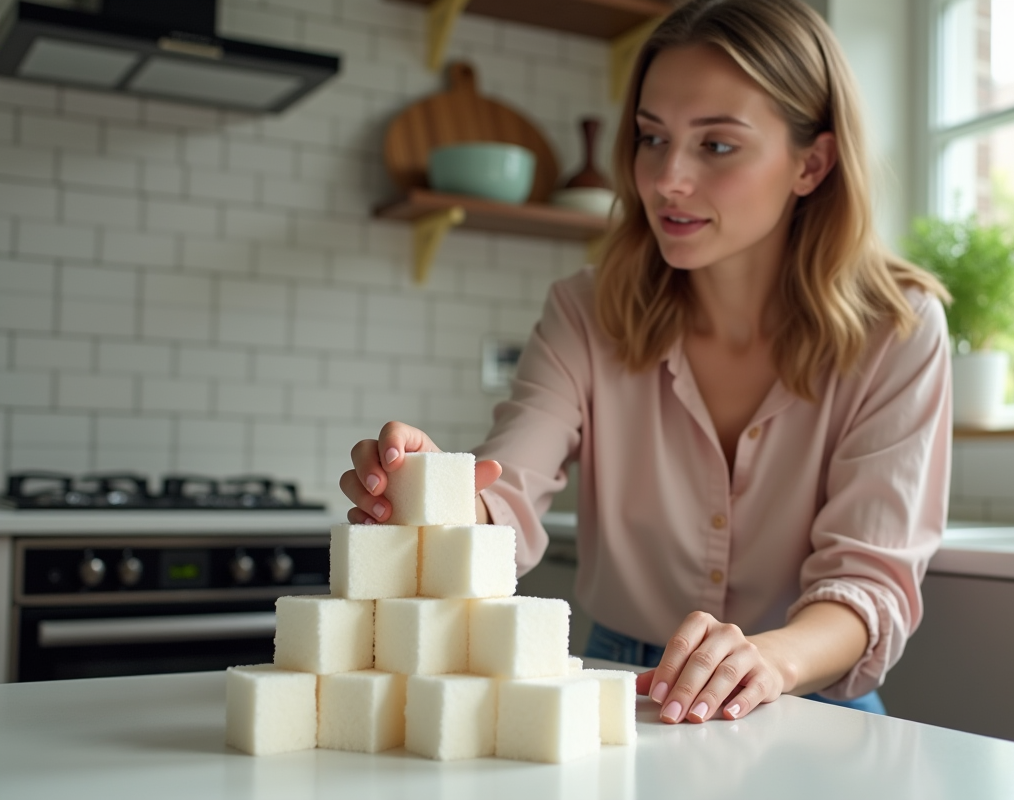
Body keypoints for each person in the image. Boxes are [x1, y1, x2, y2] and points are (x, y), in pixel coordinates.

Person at [342, 0, 951, 725]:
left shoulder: (899, 328)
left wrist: (769, 660)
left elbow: (870, 582)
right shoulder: (585, 311)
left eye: (717, 146)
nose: (666, 179)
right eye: (651, 138)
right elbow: (506, 491)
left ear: (811, 164)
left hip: (807, 690)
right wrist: (429, 498)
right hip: (626, 680)